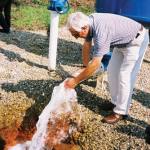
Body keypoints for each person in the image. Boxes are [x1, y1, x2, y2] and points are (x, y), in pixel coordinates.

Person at [64, 12, 149, 124]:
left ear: (84, 28)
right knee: (112, 72)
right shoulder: (89, 22)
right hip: (122, 43)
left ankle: (121, 112)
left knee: (125, 77)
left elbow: (95, 63)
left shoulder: (101, 32)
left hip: (136, 41)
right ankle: (115, 102)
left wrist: (75, 81)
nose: (75, 37)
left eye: (75, 34)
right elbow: (87, 44)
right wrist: (84, 67)